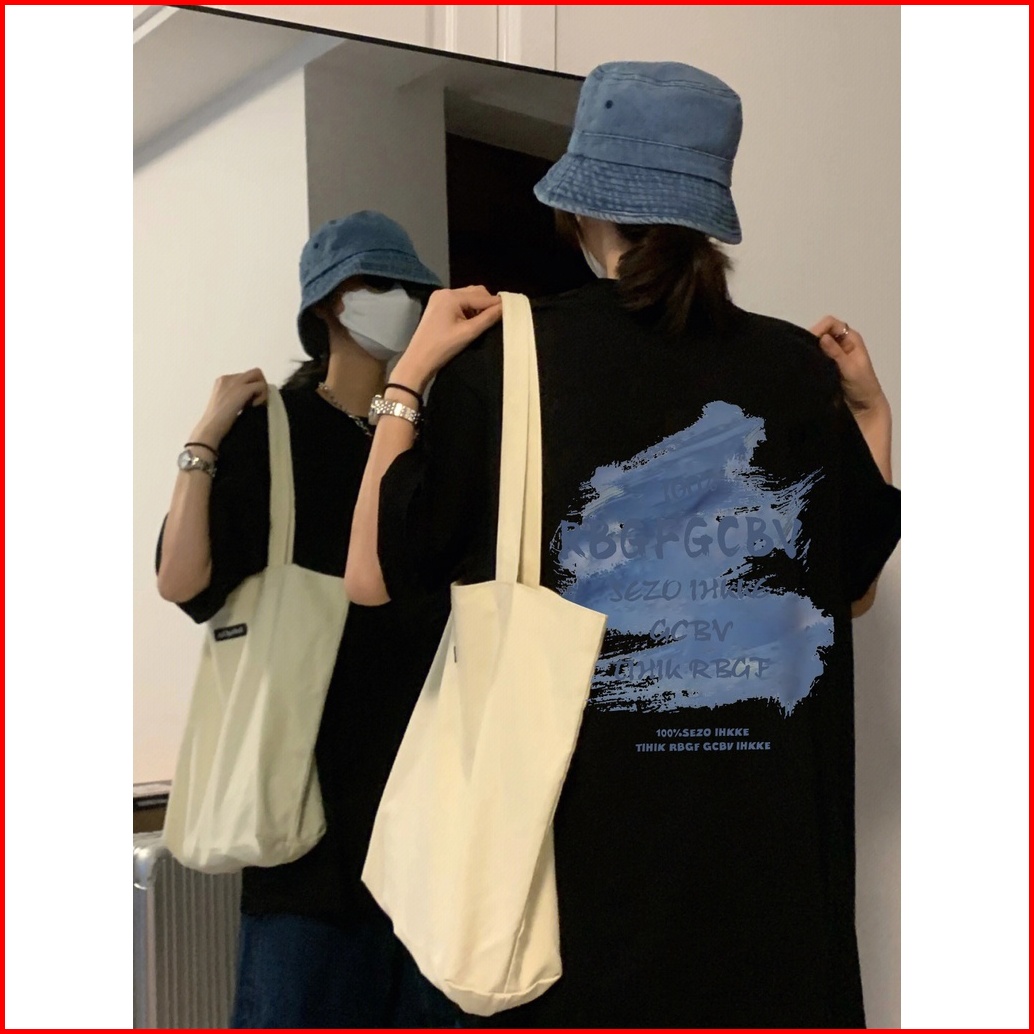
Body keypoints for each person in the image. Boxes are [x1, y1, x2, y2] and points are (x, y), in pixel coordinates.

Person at [345, 63, 901, 1028]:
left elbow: (370, 578)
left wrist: (408, 379)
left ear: (581, 208)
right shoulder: (797, 372)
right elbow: (849, 592)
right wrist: (871, 417)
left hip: (580, 920)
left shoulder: (510, 362)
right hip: (769, 919)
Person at [155, 211, 462, 1029]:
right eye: (379, 284)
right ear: (327, 303)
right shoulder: (277, 431)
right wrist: (205, 435)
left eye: (412, 288)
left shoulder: (424, 445)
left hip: (424, 832)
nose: (401, 302)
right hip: (306, 835)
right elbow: (183, 582)